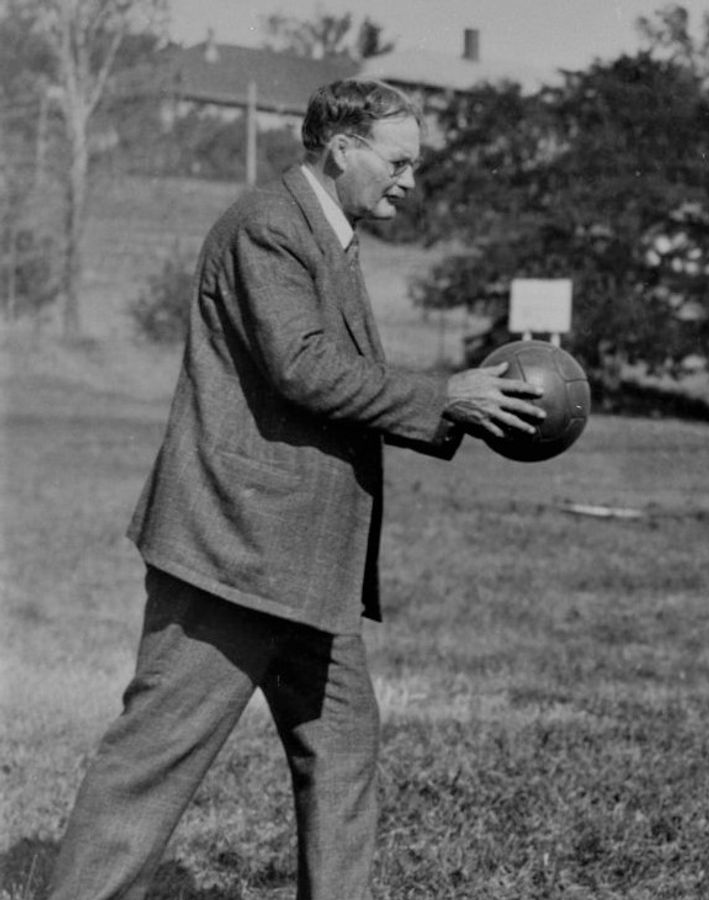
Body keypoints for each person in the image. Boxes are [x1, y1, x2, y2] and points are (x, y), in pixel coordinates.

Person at [46, 78, 541, 899]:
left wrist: (452, 406)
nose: (410, 180)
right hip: (233, 552)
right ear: (342, 149)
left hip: (307, 564)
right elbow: (303, 367)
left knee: (344, 753)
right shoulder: (270, 227)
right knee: (155, 757)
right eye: (399, 161)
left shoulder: (330, 233)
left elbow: (333, 373)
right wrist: (440, 395)